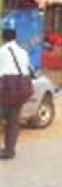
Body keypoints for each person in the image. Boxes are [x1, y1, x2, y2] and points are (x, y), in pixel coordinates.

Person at [0, 27, 33, 160]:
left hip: (7, 86)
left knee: (4, 115)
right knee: (13, 120)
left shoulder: (2, 51)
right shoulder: (23, 52)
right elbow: (27, 68)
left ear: (3, 37)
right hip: (22, 88)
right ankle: (9, 150)